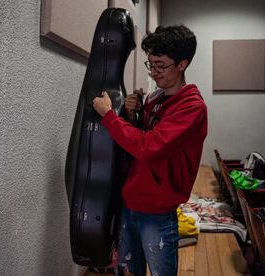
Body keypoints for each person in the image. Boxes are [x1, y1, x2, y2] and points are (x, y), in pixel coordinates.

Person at [93, 25, 207, 276]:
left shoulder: (192, 107)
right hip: (130, 201)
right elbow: (143, 136)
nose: (154, 72)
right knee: (127, 271)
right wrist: (136, 114)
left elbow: (149, 147)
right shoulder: (156, 98)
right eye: (150, 65)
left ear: (182, 64)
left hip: (157, 211)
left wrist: (110, 117)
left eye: (160, 66)